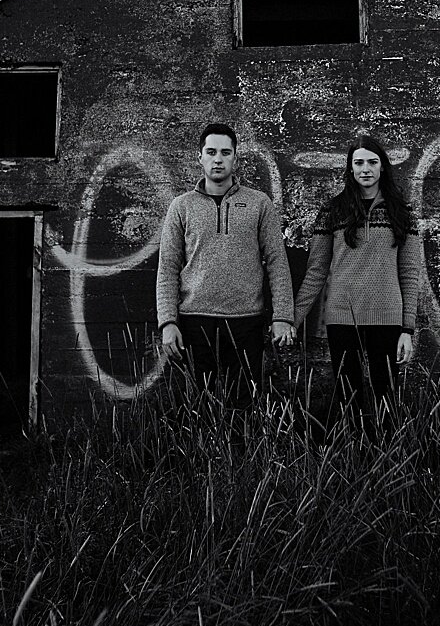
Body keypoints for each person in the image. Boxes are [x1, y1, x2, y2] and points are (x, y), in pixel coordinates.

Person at [155, 123, 296, 402]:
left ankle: (243, 448)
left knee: (245, 403)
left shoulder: (259, 203)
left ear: (235, 157)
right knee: (196, 405)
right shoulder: (182, 207)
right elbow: (168, 267)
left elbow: (278, 262)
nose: (217, 159)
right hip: (194, 322)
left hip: (246, 322)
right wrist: (167, 322)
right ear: (200, 157)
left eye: (225, 152)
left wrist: (282, 317)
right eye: (211, 152)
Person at [294, 134, 424, 420]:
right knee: (346, 394)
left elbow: (409, 274)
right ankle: (348, 458)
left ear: (383, 168)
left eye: (372, 162)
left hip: (387, 317)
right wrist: (291, 319)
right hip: (342, 317)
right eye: (359, 163)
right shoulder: (332, 211)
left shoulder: (403, 214)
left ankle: (387, 457)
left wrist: (407, 329)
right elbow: (316, 271)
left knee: (385, 396)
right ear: (350, 169)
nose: (366, 169)